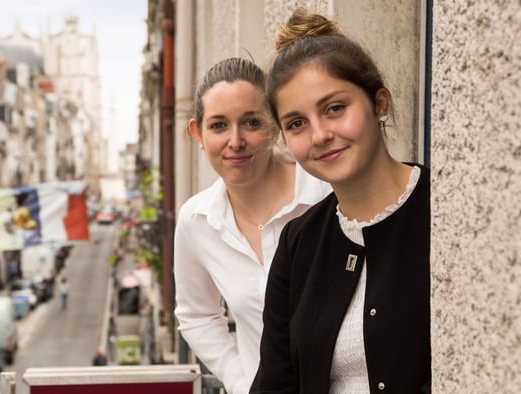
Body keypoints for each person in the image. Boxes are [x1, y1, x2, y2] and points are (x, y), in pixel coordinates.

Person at [251, 9, 430, 394]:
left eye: (335, 109)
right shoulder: (299, 242)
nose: (319, 135)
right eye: (297, 123)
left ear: (379, 103)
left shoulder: (439, 209)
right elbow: (275, 383)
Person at [173, 57, 331, 394]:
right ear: (196, 133)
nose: (235, 141)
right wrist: (242, 380)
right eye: (218, 125)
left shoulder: (324, 195)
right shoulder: (196, 221)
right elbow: (196, 315)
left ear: (274, 124)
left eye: (251, 122)